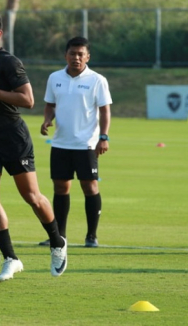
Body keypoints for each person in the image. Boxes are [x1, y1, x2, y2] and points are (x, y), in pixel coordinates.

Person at [0, 8, 67, 281]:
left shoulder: (9, 62)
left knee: (32, 197)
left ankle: (57, 241)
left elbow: (27, 100)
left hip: (11, 136)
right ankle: (11, 258)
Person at [37, 37, 112, 248]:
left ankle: (91, 236)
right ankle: (59, 235)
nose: (76, 58)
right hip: (60, 143)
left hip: (86, 144)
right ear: (65, 55)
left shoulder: (97, 80)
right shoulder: (55, 78)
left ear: (88, 57)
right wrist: (47, 120)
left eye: (81, 54)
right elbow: (50, 104)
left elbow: (105, 110)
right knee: (61, 187)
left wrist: (103, 137)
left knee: (89, 186)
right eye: (73, 53)